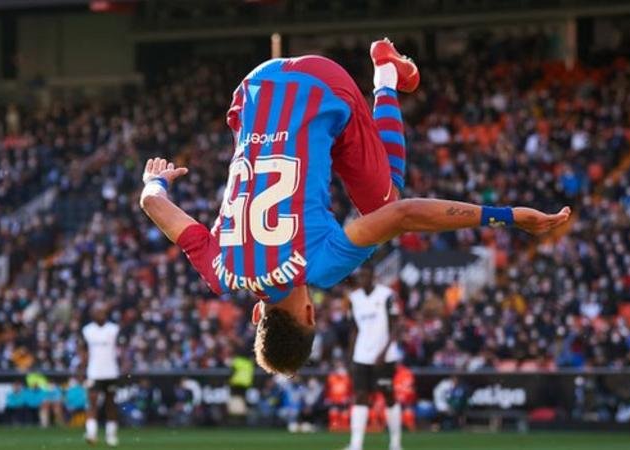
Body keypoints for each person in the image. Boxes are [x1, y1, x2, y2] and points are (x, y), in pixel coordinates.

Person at [139, 39, 571, 376]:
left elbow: (404, 216)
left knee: (386, 202)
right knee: (353, 176)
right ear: (257, 314)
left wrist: (509, 217)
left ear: (310, 314)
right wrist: (155, 179)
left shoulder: (318, 268)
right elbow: (153, 204)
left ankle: (385, 72)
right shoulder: (220, 272)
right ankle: (378, 78)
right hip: (252, 89)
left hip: (325, 86)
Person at [344, 265, 403, 450]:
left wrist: (384, 352)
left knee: (388, 394)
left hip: (384, 357)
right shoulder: (354, 299)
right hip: (362, 355)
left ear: (373, 276)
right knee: (360, 396)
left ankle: (395, 442)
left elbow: (396, 326)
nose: (363, 279)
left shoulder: (386, 295)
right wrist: (351, 355)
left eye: (366, 275)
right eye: (360, 276)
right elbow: (353, 329)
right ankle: (356, 444)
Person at [80, 303, 120, 446]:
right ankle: (91, 434)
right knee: (92, 403)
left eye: (102, 312)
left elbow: (120, 350)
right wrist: (81, 371)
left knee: (111, 405)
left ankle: (111, 436)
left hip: (111, 372)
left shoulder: (114, 329)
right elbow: (83, 353)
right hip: (94, 372)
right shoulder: (87, 331)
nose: (100, 315)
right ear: (93, 315)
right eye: (97, 312)